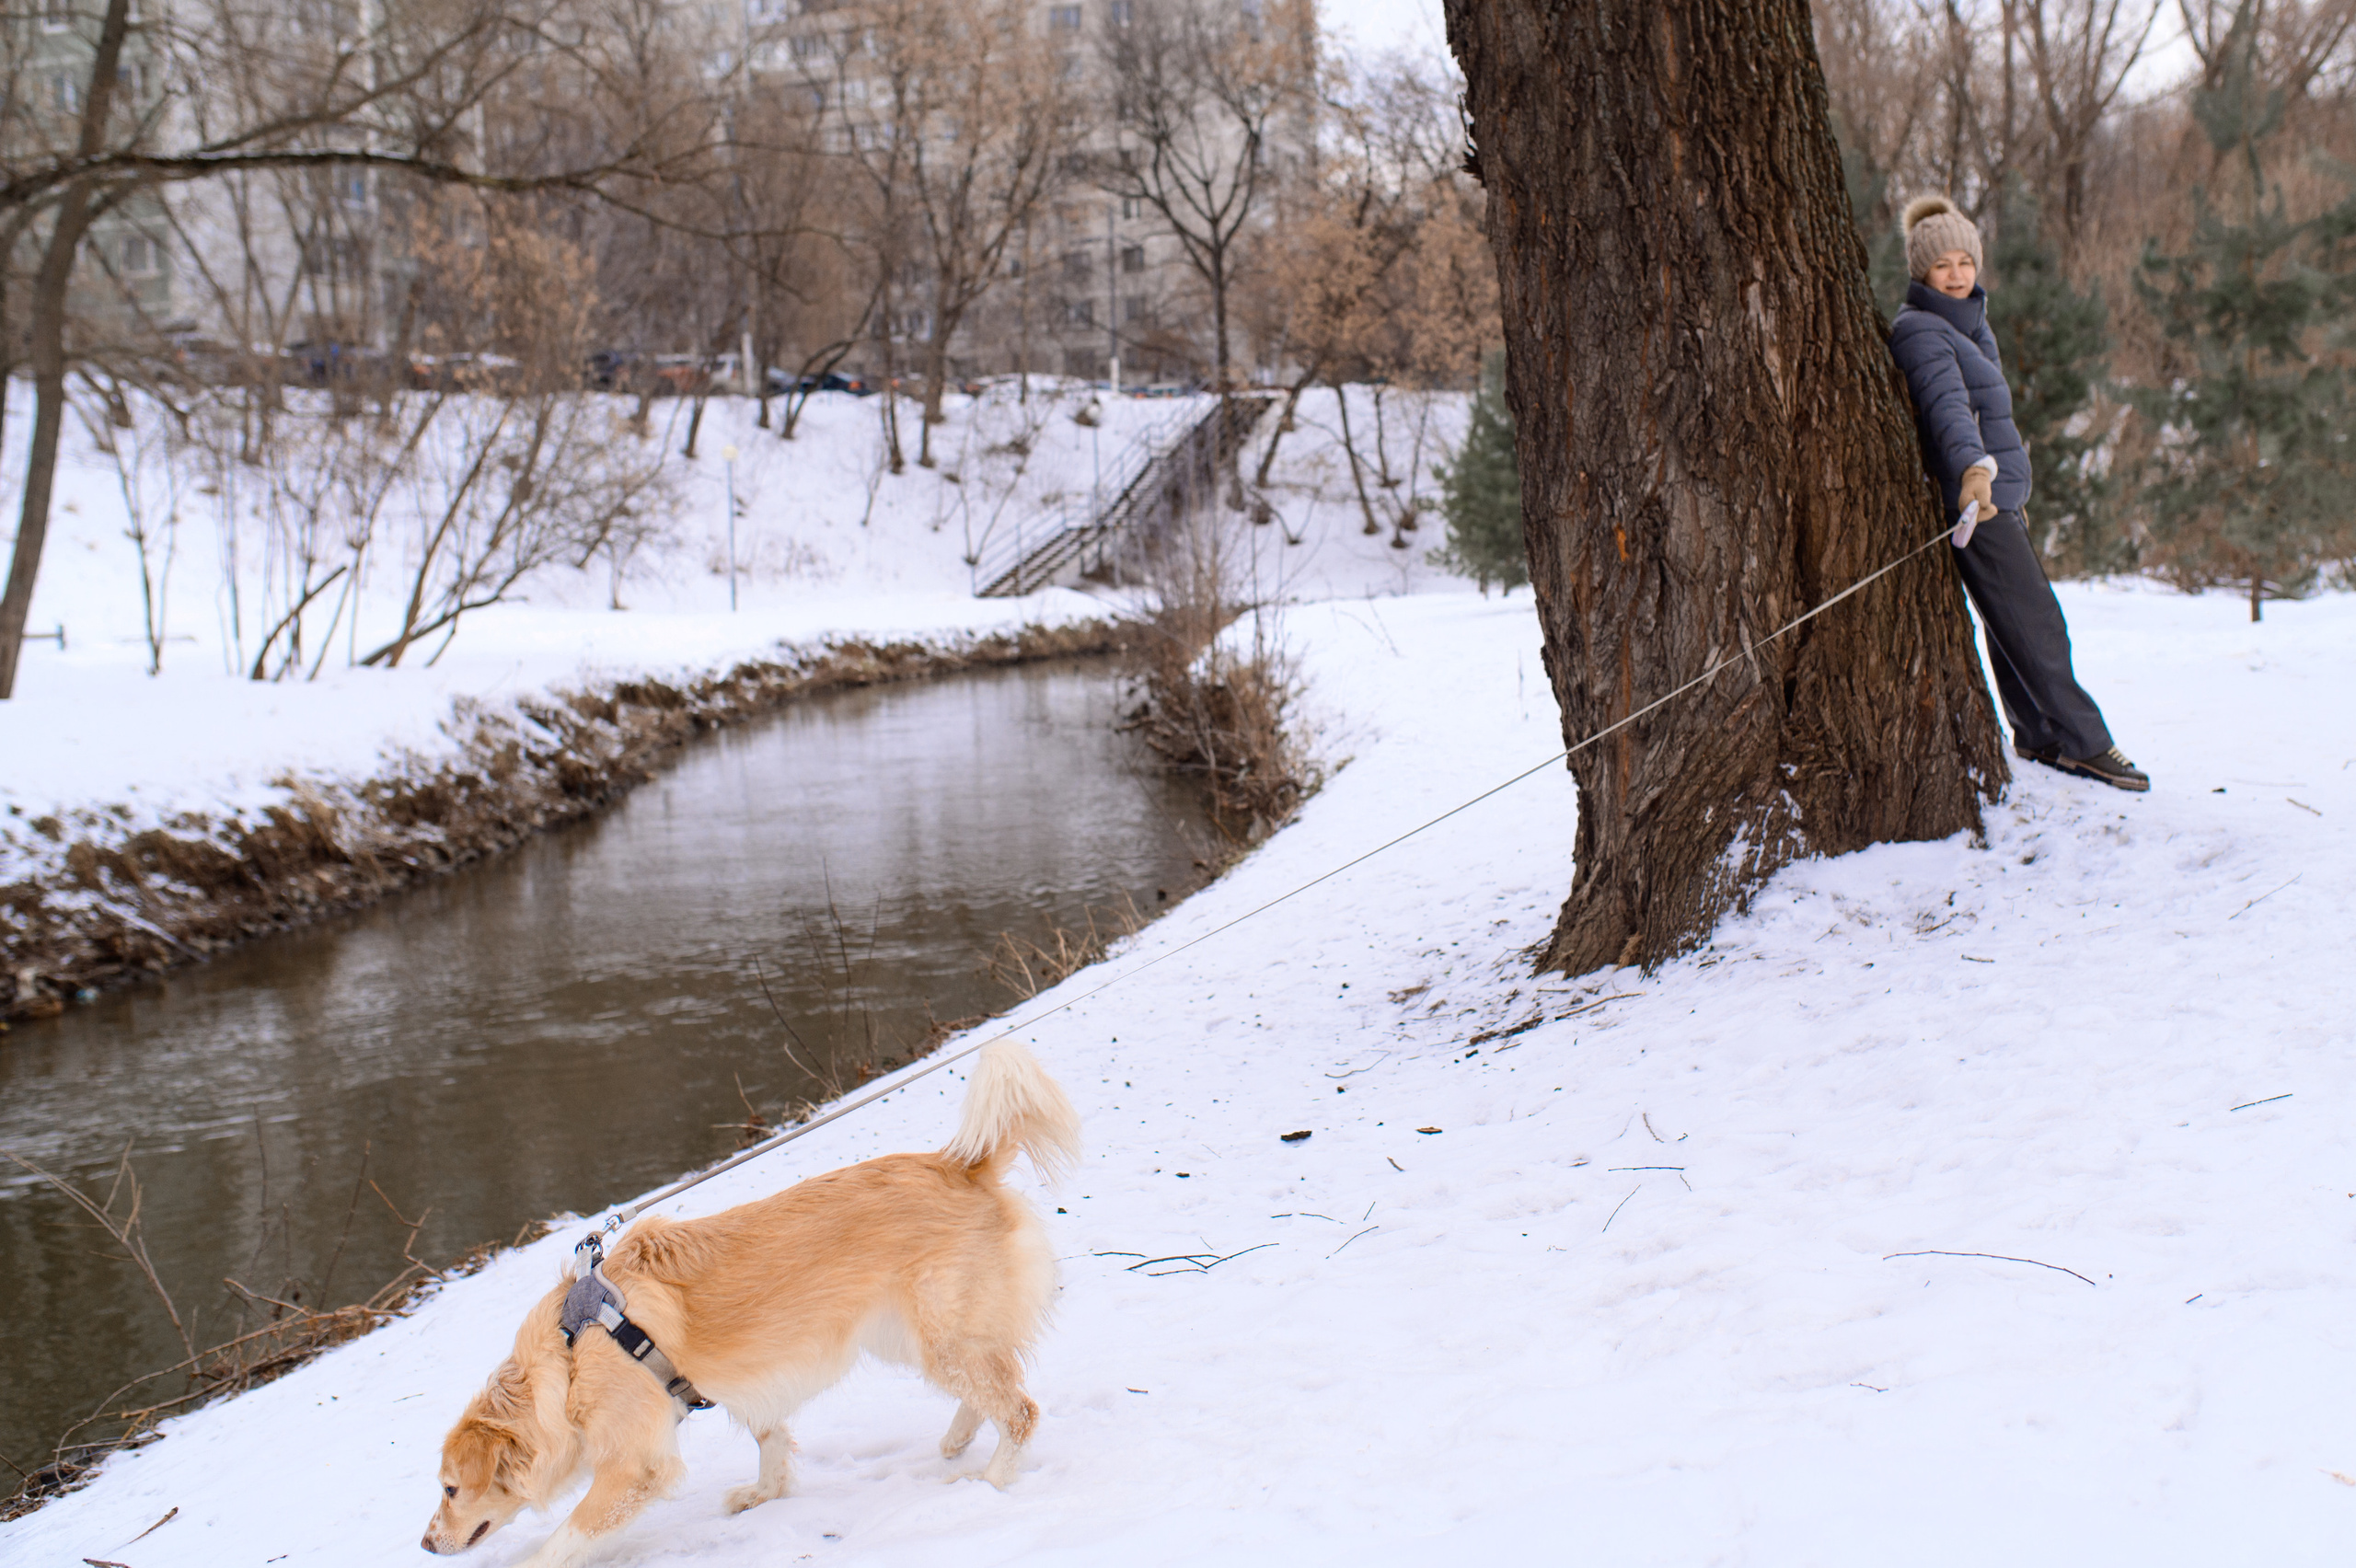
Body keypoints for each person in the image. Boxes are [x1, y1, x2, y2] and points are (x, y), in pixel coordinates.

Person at [1888, 196, 2149, 793]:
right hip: (1975, 504)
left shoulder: (1970, 326)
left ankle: (2036, 734)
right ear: (1920, 272)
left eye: (1965, 261)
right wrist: (1974, 476)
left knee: (2012, 624)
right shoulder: (1923, 333)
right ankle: (2087, 744)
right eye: (1942, 265)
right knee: (2038, 625)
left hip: (1997, 497)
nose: (1956, 275)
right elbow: (1948, 411)